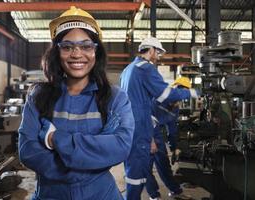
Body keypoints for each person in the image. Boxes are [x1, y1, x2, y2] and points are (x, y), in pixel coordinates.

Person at [18, 6, 134, 200]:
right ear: (57, 51)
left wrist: (55, 139)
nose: (77, 54)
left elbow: (120, 146)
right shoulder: (38, 96)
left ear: (96, 51)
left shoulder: (115, 98)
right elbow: (27, 151)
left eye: (86, 46)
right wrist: (81, 172)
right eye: (67, 46)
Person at [120, 37, 199, 200]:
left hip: (131, 126)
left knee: (138, 171)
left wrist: (173, 144)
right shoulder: (145, 68)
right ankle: (149, 195)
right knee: (137, 174)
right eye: (158, 53)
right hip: (140, 127)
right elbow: (165, 95)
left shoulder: (129, 69)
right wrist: (194, 92)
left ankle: (160, 192)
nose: (158, 57)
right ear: (151, 50)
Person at [147, 77, 194, 200]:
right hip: (145, 132)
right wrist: (151, 140)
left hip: (157, 133)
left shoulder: (175, 109)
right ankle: (154, 195)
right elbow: (146, 118)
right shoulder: (159, 99)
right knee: (146, 167)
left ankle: (175, 191)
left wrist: (174, 148)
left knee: (164, 164)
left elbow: (172, 129)